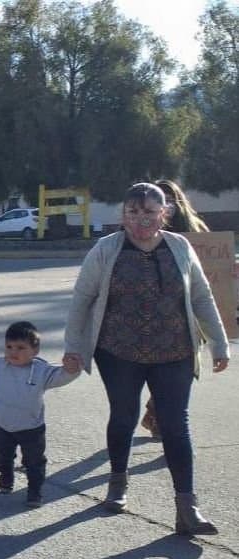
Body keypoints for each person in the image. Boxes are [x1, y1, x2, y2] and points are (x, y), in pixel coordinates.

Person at [63, 182, 229, 536]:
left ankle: (187, 507)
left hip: (175, 351)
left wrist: (219, 343)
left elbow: (201, 296)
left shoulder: (180, 247)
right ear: (124, 213)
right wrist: (73, 346)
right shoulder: (107, 249)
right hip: (118, 351)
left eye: (149, 213)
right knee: (124, 416)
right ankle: (117, 485)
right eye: (133, 212)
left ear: (164, 214)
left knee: (175, 424)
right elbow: (82, 299)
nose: (140, 220)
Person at [0, 321, 80, 508]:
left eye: (21, 348)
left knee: (34, 461)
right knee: (2, 457)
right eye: (9, 347)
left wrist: (72, 370)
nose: (13, 352)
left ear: (35, 351)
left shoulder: (41, 371)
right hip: (0, 424)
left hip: (31, 427)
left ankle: (34, 491)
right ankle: (6, 475)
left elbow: (61, 376)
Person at [139, 180, 211, 439]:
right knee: (163, 375)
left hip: (191, 317)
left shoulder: (196, 230)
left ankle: (158, 417)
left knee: (182, 378)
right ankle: (163, 421)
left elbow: (216, 265)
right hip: (158, 319)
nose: (166, 206)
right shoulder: (145, 233)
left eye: (169, 199)